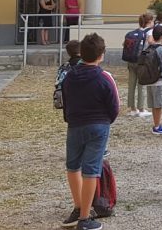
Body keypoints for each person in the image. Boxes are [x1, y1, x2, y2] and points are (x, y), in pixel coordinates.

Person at [60, 34, 117, 230]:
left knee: (73, 166)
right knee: (91, 170)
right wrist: (107, 119)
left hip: (75, 124)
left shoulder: (70, 76)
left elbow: (65, 100)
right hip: (98, 124)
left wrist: (71, 118)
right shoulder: (104, 77)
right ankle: (85, 216)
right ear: (101, 55)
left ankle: (78, 206)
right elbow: (114, 105)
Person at [143, 25, 162, 135]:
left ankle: (156, 124)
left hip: (149, 78)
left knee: (154, 104)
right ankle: (157, 126)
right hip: (158, 79)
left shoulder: (149, 48)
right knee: (158, 104)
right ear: (161, 36)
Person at [123, 13, 153, 118]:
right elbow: (150, 42)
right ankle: (141, 108)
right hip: (141, 62)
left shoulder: (134, 33)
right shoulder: (149, 32)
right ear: (149, 22)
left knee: (131, 85)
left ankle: (131, 108)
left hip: (130, 61)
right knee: (141, 85)